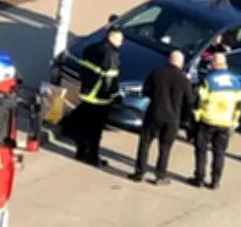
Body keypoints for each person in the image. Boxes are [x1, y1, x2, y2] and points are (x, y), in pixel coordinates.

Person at [128, 51, 194, 185]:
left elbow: (145, 90)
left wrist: (155, 96)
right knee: (165, 147)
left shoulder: (156, 72)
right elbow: (190, 101)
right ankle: (160, 175)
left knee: (145, 143)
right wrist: (184, 119)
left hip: (154, 113)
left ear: (169, 60)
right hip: (172, 118)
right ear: (181, 63)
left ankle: (139, 172)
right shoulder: (184, 80)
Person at [187, 53, 241, 190]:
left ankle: (199, 178)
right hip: (225, 122)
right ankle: (215, 181)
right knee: (219, 153)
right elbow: (239, 104)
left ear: (214, 65)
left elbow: (199, 100)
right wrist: (234, 120)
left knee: (201, 150)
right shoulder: (236, 81)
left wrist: (196, 116)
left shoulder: (209, 80)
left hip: (208, 120)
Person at [71, 29, 123, 167]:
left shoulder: (91, 49)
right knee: (95, 130)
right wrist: (116, 96)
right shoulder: (111, 56)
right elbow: (110, 81)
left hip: (86, 93)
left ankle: (80, 152)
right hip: (100, 98)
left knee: (84, 125)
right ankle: (93, 157)